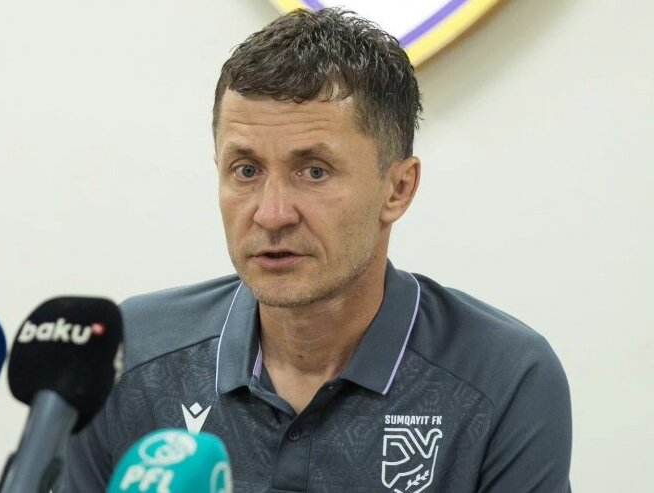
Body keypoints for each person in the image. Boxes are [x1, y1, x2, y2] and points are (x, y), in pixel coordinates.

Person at [60, 8, 572, 492]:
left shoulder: (504, 376)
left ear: (397, 189)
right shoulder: (131, 355)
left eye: (314, 171)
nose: (271, 213)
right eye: (246, 170)